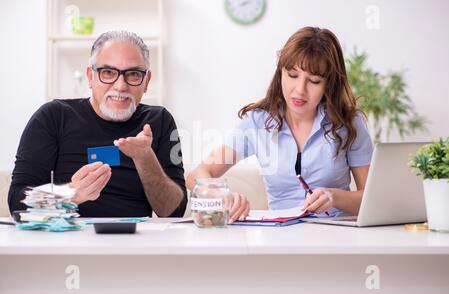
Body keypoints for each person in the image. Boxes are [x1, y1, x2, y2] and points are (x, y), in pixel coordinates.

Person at [187, 26, 373, 223]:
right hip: (279, 236)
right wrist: (222, 196)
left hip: (335, 235)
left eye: (314, 81)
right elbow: (196, 176)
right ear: (280, 72)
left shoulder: (350, 124)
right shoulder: (257, 122)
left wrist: (335, 197)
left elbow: (372, 198)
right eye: (292, 75)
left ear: (329, 84)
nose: (300, 90)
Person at [8, 31, 187, 218]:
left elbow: (174, 212)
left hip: (136, 243)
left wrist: (145, 158)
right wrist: (70, 193)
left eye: (133, 74)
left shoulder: (160, 121)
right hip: (65, 242)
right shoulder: (53, 116)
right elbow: (16, 203)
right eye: (108, 72)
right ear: (90, 77)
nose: (120, 86)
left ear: (146, 81)